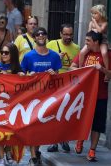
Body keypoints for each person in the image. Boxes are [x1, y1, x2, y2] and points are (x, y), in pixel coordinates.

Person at [20, 27, 62, 166]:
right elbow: (21, 75)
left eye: (43, 34)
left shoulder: (55, 56)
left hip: (49, 98)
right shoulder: (28, 56)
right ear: (34, 38)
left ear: (46, 37)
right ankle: (33, 157)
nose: (40, 36)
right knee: (33, 127)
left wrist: (54, 74)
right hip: (33, 97)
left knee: (42, 128)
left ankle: (36, 152)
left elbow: (59, 76)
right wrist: (28, 76)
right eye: (37, 34)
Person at [70, 31, 109, 162]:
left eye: (88, 40)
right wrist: (81, 71)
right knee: (82, 120)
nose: (85, 43)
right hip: (84, 95)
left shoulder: (107, 55)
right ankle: (80, 140)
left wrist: (102, 69)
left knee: (97, 124)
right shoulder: (85, 53)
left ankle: (92, 150)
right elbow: (72, 67)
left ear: (96, 42)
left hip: (101, 95)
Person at [46, 23, 80, 152]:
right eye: (65, 34)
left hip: (69, 87)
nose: (68, 37)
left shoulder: (76, 48)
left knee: (66, 114)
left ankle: (64, 139)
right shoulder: (51, 45)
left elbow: (79, 67)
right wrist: (56, 59)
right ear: (60, 34)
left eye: (70, 34)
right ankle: (54, 142)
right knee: (54, 113)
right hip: (54, 85)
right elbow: (46, 63)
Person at [0, 43, 24, 166]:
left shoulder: (18, 69)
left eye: (7, 53)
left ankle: (8, 150)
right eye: (2, 52)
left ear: (13, 54)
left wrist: (22, 76)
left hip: (13, 106)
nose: (4, 55)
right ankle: (1, 158)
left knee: (12, 132)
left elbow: (25, 85)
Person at [78, 5, 109, 79]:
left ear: (101, 14)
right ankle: (80, 68)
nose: (93, 15)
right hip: (92, 41)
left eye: (95, 13)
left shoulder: (104, 23)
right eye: (92, 13)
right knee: (82, 52)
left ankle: (107, 71)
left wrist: (95, 22)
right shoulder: (91, 23)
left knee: (104, 53)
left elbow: (100, 31)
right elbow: (89, 33)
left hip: (102, 40)